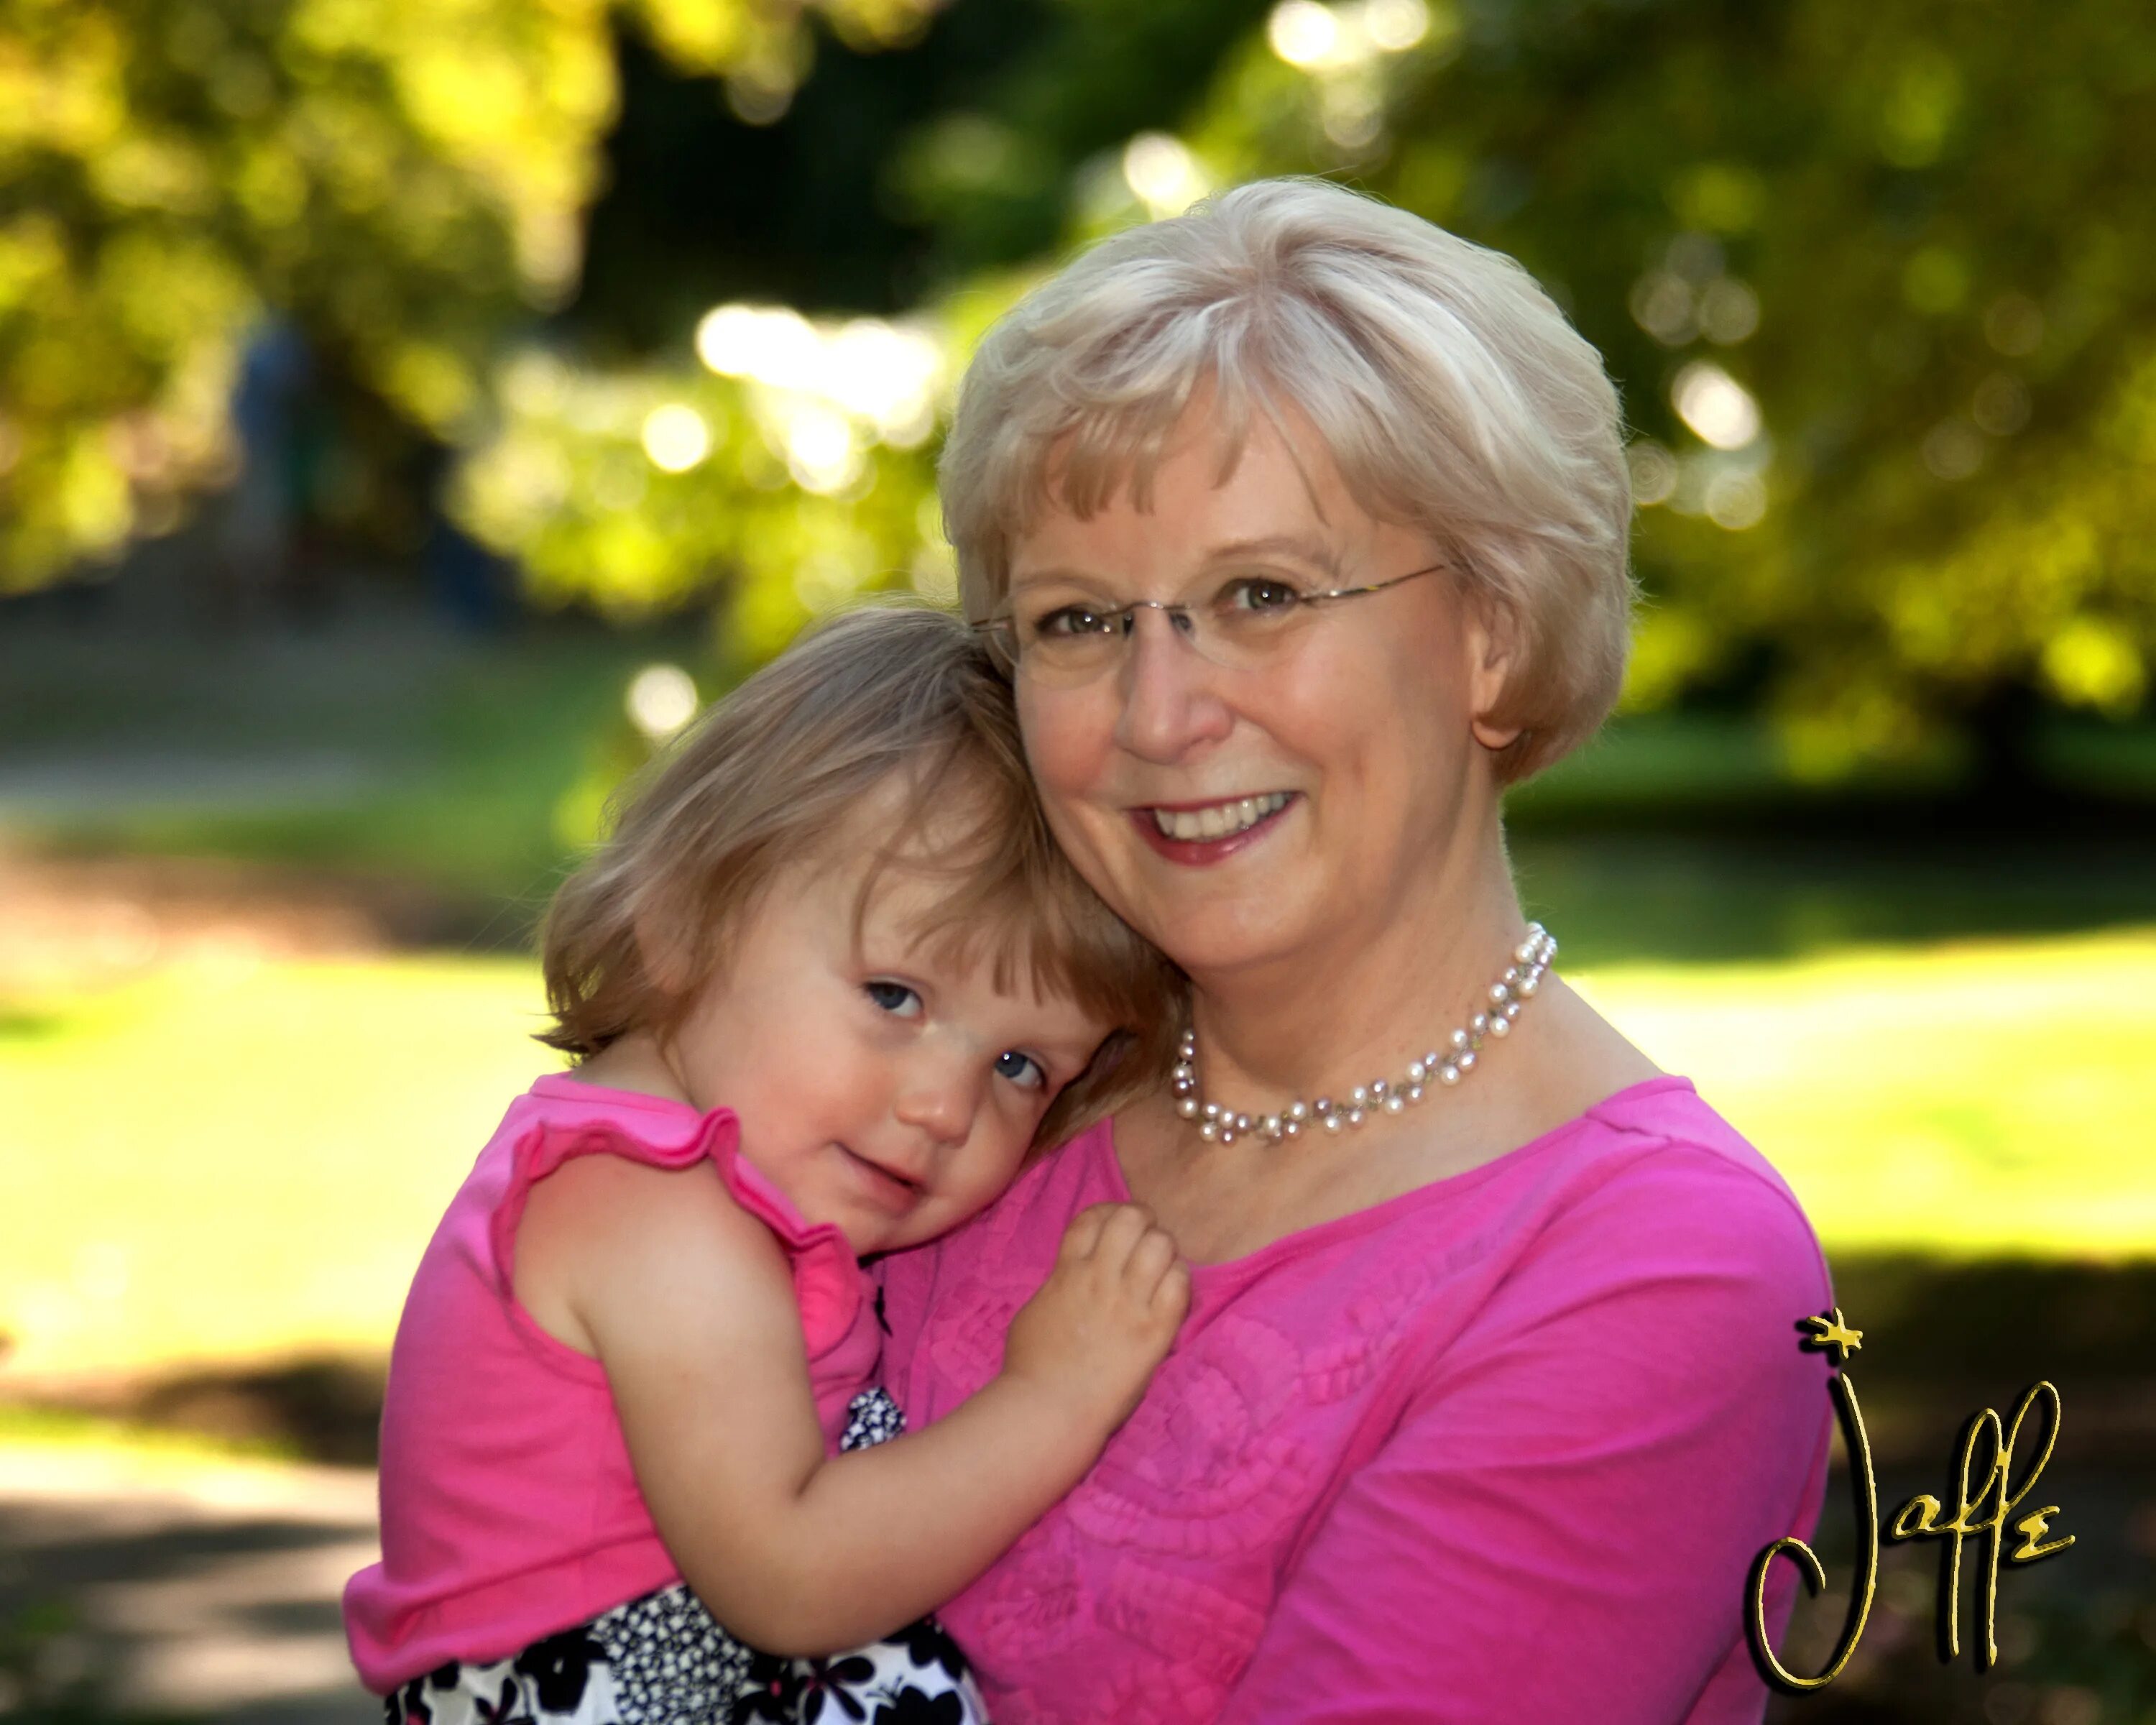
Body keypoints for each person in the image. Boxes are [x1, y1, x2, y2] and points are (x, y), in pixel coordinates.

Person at [875, 177, 1838, 1721]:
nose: (1159, 715)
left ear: (1496, 634)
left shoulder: (1656, 1273)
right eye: (1076, 621)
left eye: (1260, 595)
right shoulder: (974, 1091)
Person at [343, 607, 1192, 1725]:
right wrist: (1058, 1395)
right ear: (684, 920)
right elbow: (788, 1578)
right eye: (895, 996)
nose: (943, 1107)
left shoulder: (706, 1188)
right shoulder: (652, 1211)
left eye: (1023, 1067)